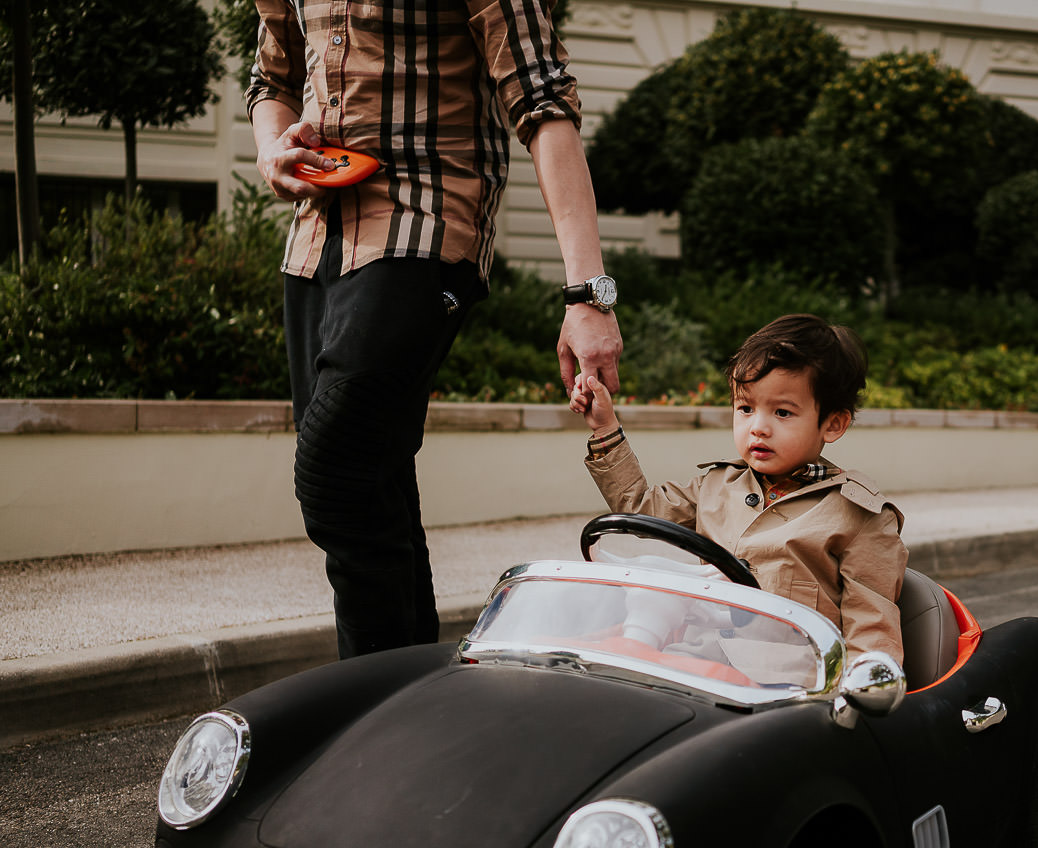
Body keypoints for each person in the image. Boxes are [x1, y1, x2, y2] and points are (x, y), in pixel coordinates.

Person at [247, 0, 621, 658]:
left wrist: (588, 295)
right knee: (375, 484)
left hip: (425, 222)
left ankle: (373, 707)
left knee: (334, 472)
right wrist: (272, 148)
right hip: (317, 240)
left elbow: (542, 100)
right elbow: (271, 79)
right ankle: (413, 694)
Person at [570, 314, 906, 662]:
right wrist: (605, 428)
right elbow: (639, 508)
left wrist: (864, 687)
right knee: (580, 657)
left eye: (783, 413)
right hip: (693, 659)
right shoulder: (717, 485)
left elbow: (871, 626)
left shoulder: (860, 516)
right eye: (745, 408)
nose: (757, 428)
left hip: (786, 686)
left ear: (833, 424)